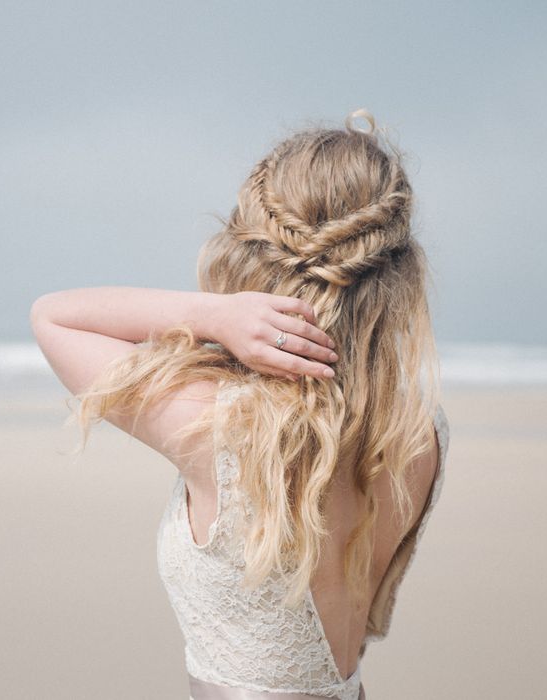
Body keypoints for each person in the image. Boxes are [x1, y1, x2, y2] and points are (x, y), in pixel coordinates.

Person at [30, 108, 450, 700]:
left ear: (248, 250)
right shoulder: (417, 429)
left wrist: (213, 315)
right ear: (400, 270)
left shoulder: (223, 427)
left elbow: (52, 315)